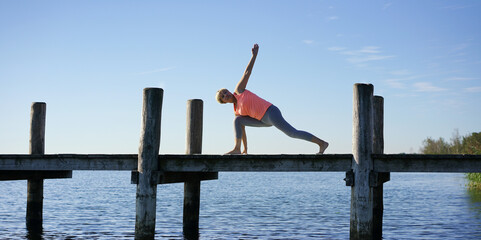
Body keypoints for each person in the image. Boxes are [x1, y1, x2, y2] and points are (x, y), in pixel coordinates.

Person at [216, 43, 329, 155]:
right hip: (263, 121)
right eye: (223, 96)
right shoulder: (237, 111)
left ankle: (321, 143)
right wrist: (246, 148)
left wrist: (254, 56)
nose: (225, 94)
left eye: (225, 92)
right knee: (237, 120)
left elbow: (247, 73)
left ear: (229, 91)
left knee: (292, 133)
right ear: (223, 102)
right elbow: (242, 130)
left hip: (270, 112)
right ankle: (237, 149)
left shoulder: (239, 90)